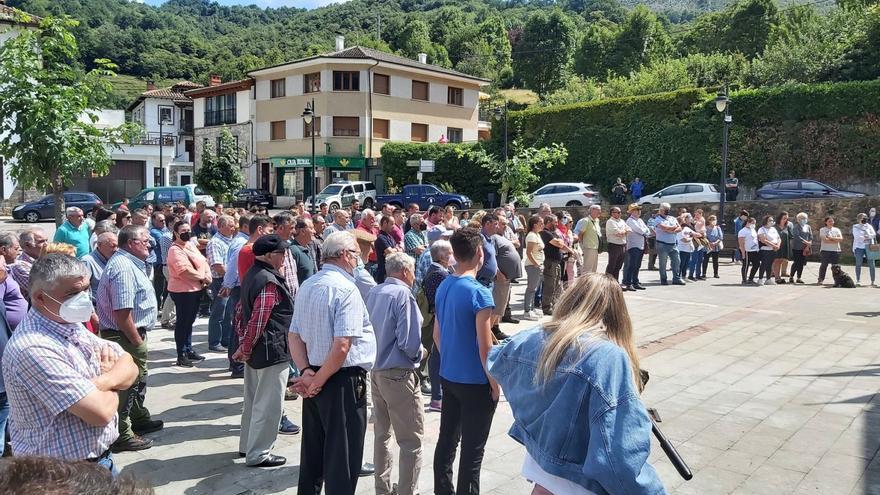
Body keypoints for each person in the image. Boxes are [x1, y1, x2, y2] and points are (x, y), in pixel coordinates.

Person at [486, 272, 666, 494]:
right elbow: (619, 455)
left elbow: (496, 358)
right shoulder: (607, 356)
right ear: (618, 313)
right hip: (580, 483)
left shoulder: (537, 336)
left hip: (541, 474)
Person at [3, 254, 138, 469]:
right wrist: (115, 381)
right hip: (61, 475)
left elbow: (129, 363)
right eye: (73, 293)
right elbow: (100, 413)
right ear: (40, 297)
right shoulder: (33, 347)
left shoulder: (68, 323)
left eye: (85, 289)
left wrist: (102, 382)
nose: (84, 298)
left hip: (97, 461)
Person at [289, 231, 377, 495]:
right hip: (340, 380)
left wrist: (307, 372)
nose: (359, 261)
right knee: (343, 458)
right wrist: (315, 378)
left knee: (313, 454)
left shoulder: (309, 284)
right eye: (356, 255)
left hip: (317, 374)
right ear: (343, 255)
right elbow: (341, 345)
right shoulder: (345, 288)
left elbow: (294, 335)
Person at [432, 227, 498, 495]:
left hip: (449, 375)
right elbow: (485, 345)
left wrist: (452, 358)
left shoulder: (444, 283)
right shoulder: (480, 293)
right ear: (480, 253)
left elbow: (437, 334)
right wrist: (494, 382)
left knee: (447, 442)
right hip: (474, 381)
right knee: (472, 453)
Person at [95, 225, 163, 453]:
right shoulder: (123, 267)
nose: (150, 244)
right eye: (145, 240)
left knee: (137, 382)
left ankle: (138, 418)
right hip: (124, 336)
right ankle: (122, 434)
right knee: (128, 384)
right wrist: (137, 342)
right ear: (132, 243)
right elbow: (122, 314)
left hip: (130, 334)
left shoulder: (129, 263)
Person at [232, 235, 297, 467]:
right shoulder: (268, 280)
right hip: (270, 350)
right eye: (282, 253)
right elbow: (258, 320)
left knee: (252, 401)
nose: (285, 258)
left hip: (258, 350)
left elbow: (240, 314)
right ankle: (259, 453)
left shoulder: (252, 274)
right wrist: (246, 347)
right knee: (269, 405)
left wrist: (243, 345)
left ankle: (246, 446)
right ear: (269, 255)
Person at [366, 252, 424, 495]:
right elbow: (409, 341)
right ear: (405, 272)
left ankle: (383, 488)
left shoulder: (375, 291)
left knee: (382, 434)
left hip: (377, 370)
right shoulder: (402, 293)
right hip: (398, 372)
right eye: (412, 272)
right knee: (411, 440)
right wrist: (419, 355)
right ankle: (407, 491)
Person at [167, 220, 211, 367]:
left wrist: (207, 275)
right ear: (176, 233)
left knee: (190, 321)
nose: (187, 233)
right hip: (182, 291)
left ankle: (189, 348)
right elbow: (184, 270)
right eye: (183, 231)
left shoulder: (190, 245)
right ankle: (181, 354)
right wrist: (202, 277)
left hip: (196, 289)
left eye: (188, 230)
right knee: (183, 323)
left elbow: (203, 261)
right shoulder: (175, 249)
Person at [220, 215, 255, 378]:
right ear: (247, 227)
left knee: (238, 324)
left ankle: (235, 361)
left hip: (240, 286)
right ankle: (236, 365)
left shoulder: (241, 240)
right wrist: (227, 284)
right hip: (240, 287)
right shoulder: (242, 243)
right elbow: (233, 266)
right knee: (239, 325)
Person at [422, 240, 453, 412]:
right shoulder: (438, 273)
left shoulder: (439, 271)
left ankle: (438, 395)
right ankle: (437, 397)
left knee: (437, 356)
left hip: (438, 319)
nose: (452, 255)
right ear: (442, 256)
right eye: (449, 253)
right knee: (437, 356)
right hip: (438, 321)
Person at [206, 215, 235, 352]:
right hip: (220, 281)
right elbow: (218, 266)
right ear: (221, 226)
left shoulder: (230, 240)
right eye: (231, 225)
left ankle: (226, 339)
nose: (233, 228)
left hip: (229, 280)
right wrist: (230, 279)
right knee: (219, 311)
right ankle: (214, 341)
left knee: (228, 312)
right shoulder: (215, 242)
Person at [492, 215, 522, 333]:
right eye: (503, 224)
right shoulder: (494, 238)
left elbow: (518, 243)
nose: (506, 226)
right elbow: (491, 258)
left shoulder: (502, 236)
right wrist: (498, 273)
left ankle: (496, 328)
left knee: (501, 306)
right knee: (497, 307)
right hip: (500, 278)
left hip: (506, 278)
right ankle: (491, 332)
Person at [10, 227, 47, 300]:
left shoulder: (42, 258)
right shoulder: (20, 266)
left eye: (46, 240)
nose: (46, 244)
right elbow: (44, 290)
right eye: (41, 241)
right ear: (27, 245)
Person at [0, 234, 28, 330]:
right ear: (4, 250)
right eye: (16, 249)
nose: (18, 253)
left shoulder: (7, 269)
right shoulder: (1, 276)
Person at [82, 232, 118, 304]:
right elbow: (83, 291)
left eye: (117, 246)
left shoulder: (116, 259)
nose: (116, 249)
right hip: (97, 307)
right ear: (99, 245)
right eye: (112, 246)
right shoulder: (87, 262)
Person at [654, 203, 684, 286]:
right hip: (662, 244)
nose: (667, 211)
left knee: (677, 261)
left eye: (668, 209)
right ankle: (663, 279)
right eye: (665, 209)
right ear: (661, 210)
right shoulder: (657, 219)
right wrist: (673, 228)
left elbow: (680, 228)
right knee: (663, 263)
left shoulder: (672, 218)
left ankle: (676, 278)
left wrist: (671, 230)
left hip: (673, 244)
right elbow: (664, 228)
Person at [522, 216, 544, 321]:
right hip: (533, 265)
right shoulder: (531, 236)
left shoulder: (537, 235)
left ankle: (531, 308)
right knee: (531, 288)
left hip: (538, 264)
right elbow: (529, 252)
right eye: (541, 223)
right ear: (535, 225)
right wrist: (536, 264)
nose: (542, 225)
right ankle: (527, 311)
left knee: (534, 289)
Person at [623, 204, 650, 291]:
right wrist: (645, 231)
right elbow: (641, 230)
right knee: (632, 265)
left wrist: (645, 231)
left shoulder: (640, 220)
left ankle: (635, 281)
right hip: (633, 245)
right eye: (636, 210)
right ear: (631, 212)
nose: (639, 211)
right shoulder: (630, 221)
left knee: (637, 265)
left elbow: (647, 230)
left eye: (639, 209)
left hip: (640, 245)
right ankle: (628, 283)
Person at [574, 205, 602, 273]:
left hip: (595, 247)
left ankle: (591, 283)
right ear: (592, 210)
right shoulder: (585, 221)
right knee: (588, 268)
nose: (600, 211)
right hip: (589, 247)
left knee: (594, 268)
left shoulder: (597, 220)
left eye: (600, 209)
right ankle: (586, 283)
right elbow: (580, 234)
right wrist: (582, 247)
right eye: (597, 209)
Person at [291, 218, 319, 283]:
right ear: (302, 231)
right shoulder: (293, 251)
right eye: (311, 228)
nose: (314, 231)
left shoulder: (309, 248)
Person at [604, 206, 629, 283]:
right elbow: (618, 233)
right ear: (612, 213)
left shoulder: (622, 221)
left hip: (623, 245)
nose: (619, 214)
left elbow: (629, 230)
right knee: (612, 265)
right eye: (617, 212)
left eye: (620, 212)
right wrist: (624, 232)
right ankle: (607, 282)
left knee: (618, 266)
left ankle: (615, 282)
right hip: (614, 245)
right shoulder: (610, 222)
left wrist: (623, 232)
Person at [852, 213, 877, 287]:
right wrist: (865, 237)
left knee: (872, 264)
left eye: (866, 217)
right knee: (858, 264)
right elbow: (857, 237)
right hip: (859, 247)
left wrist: (867, 236)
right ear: (859, 219)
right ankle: (858, 280)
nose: (865, 219)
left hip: (869, 246)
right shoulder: (855, 226)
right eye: (863, 217)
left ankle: (872, 281)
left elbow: (874, 234)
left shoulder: (869, 226)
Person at [817, 216, 843, 286]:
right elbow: (825, 240)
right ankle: (821, 279)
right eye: (829, 221)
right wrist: (835, 240)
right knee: (824, 265)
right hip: (825, 250)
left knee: (835, 266)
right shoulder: (822, 229)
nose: (831, 223)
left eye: (832, 221)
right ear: (826, 222)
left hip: (835, 250)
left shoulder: (837, 230)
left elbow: (840, 239)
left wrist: (831, 238)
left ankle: (837, 280)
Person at [755, 215, 780, 286]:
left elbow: (778, 238)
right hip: (765, 250)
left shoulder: (773, 229)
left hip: (773, 250)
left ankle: (768, 279)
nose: (772, 222)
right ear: (766, 221)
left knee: (770, 264)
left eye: (772, 220)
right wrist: (774, 245)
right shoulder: (761, 229)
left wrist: (778, 245)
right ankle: (760, 279)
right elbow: (763, 240)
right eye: (770, 220)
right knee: (764, 264)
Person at [374, 216, 399, 284]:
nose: (394, 226)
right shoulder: (381, 238)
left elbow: (398, 249)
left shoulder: (389, 236)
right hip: (384, 273)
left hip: (391, 272)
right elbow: (390, 253)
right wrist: (394, 251)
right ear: (385, 223)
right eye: (392, 224)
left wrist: (395, 250)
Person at [790, 212, 812, 284]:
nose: (804, 220)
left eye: (805, 218)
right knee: (796, 262)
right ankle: (791, 276)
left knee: (802, 263)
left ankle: (799, 277)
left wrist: (808, 245)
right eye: (802, 218)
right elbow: (797, 236)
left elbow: (810, 236)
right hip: (797, 247)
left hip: (805, 248)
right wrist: (806, 242)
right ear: (798, 219)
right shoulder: (796, 227)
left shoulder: (808, 227)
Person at [772, 212, 794, 284]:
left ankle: (778, 277)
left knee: (781, 260)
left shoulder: (787, 226)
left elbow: (791, 236)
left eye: (786, 219)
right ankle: (776, 277)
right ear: (780, 218)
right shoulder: (774, 227)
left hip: (785, 246)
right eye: (784, 218)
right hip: (776, 246)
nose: (785, 220)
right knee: (776, 261)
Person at [738, 217, 760, 285]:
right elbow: (741, 243)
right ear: (748, 223)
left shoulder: (753, 230)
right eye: (752, 223)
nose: (754, 225)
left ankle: (750, 278)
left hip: (755, 250)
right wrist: (743, 253)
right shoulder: (743, 231)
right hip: (747, 251)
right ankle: (744, 280)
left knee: (756, 264)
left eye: (754, 223)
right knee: (746, 265)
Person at [676, 215, 696, 281]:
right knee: (681, 264)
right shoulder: (678, 230)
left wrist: (692, 236)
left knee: (686, 264)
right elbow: (684, 240)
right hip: (682, 249)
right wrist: (691, 237)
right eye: (683, 220)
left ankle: (684, 277)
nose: (684, 221)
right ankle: (678, 277)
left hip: (688, 249)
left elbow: (695, 234)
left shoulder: (687, 228)